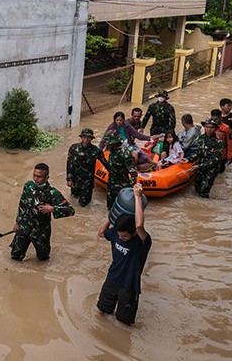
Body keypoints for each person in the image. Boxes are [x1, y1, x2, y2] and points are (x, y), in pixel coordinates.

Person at [96, 183, 151, 326]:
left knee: (123, 322)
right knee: (102, 311)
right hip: (112, 279)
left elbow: (139, 225)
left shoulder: (141, 243)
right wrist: (113, 216)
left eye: (125, 237)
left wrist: (138, 197)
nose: (121, 238)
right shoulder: (116, 233)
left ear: (133, 233)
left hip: (129, 286)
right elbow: (101, 233)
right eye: (120, 236)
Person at [10, 163, 75, 262]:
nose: (36, 179)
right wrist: (17, 222)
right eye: (34, 175)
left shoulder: (52, 193)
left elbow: (70, 210)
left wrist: (52, 208)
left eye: (39, 176)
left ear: (47, 177)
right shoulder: (28, 186)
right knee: (15, 256)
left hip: (41, 232)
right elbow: (22, 204)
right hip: (24, 227)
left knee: (43, 258)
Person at [66, 128, 108, 207]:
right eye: (84, 137)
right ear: (81, 137)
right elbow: (69, 164)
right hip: (75, 180)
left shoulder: (96, 151)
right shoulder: (73, 148)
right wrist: (69, 179)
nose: (86, 139)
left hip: (87, 182)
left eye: (88, 137)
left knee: (83, 205)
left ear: (91, 139)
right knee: (73, 200)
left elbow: (105, 164)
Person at [190, 117, 226, 198]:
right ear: (204, 127)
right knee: (196, 188)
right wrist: (189, 159)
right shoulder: (201, 138)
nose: (209, 129)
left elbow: (215, 159)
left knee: (204, 191)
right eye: (207, 127)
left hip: (211, 169)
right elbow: (198, 152)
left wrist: (199, 166)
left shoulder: (219, 142)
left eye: (212, 127)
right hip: (200, 167)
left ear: (216, 129)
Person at [102, 132, 136, 210]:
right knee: (110, 207)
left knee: (119, 208)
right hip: (111, 184)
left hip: (121, 185)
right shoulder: (112, 150)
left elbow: (133, 172)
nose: (108, 145)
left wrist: (130, 188)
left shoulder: (124, 153)